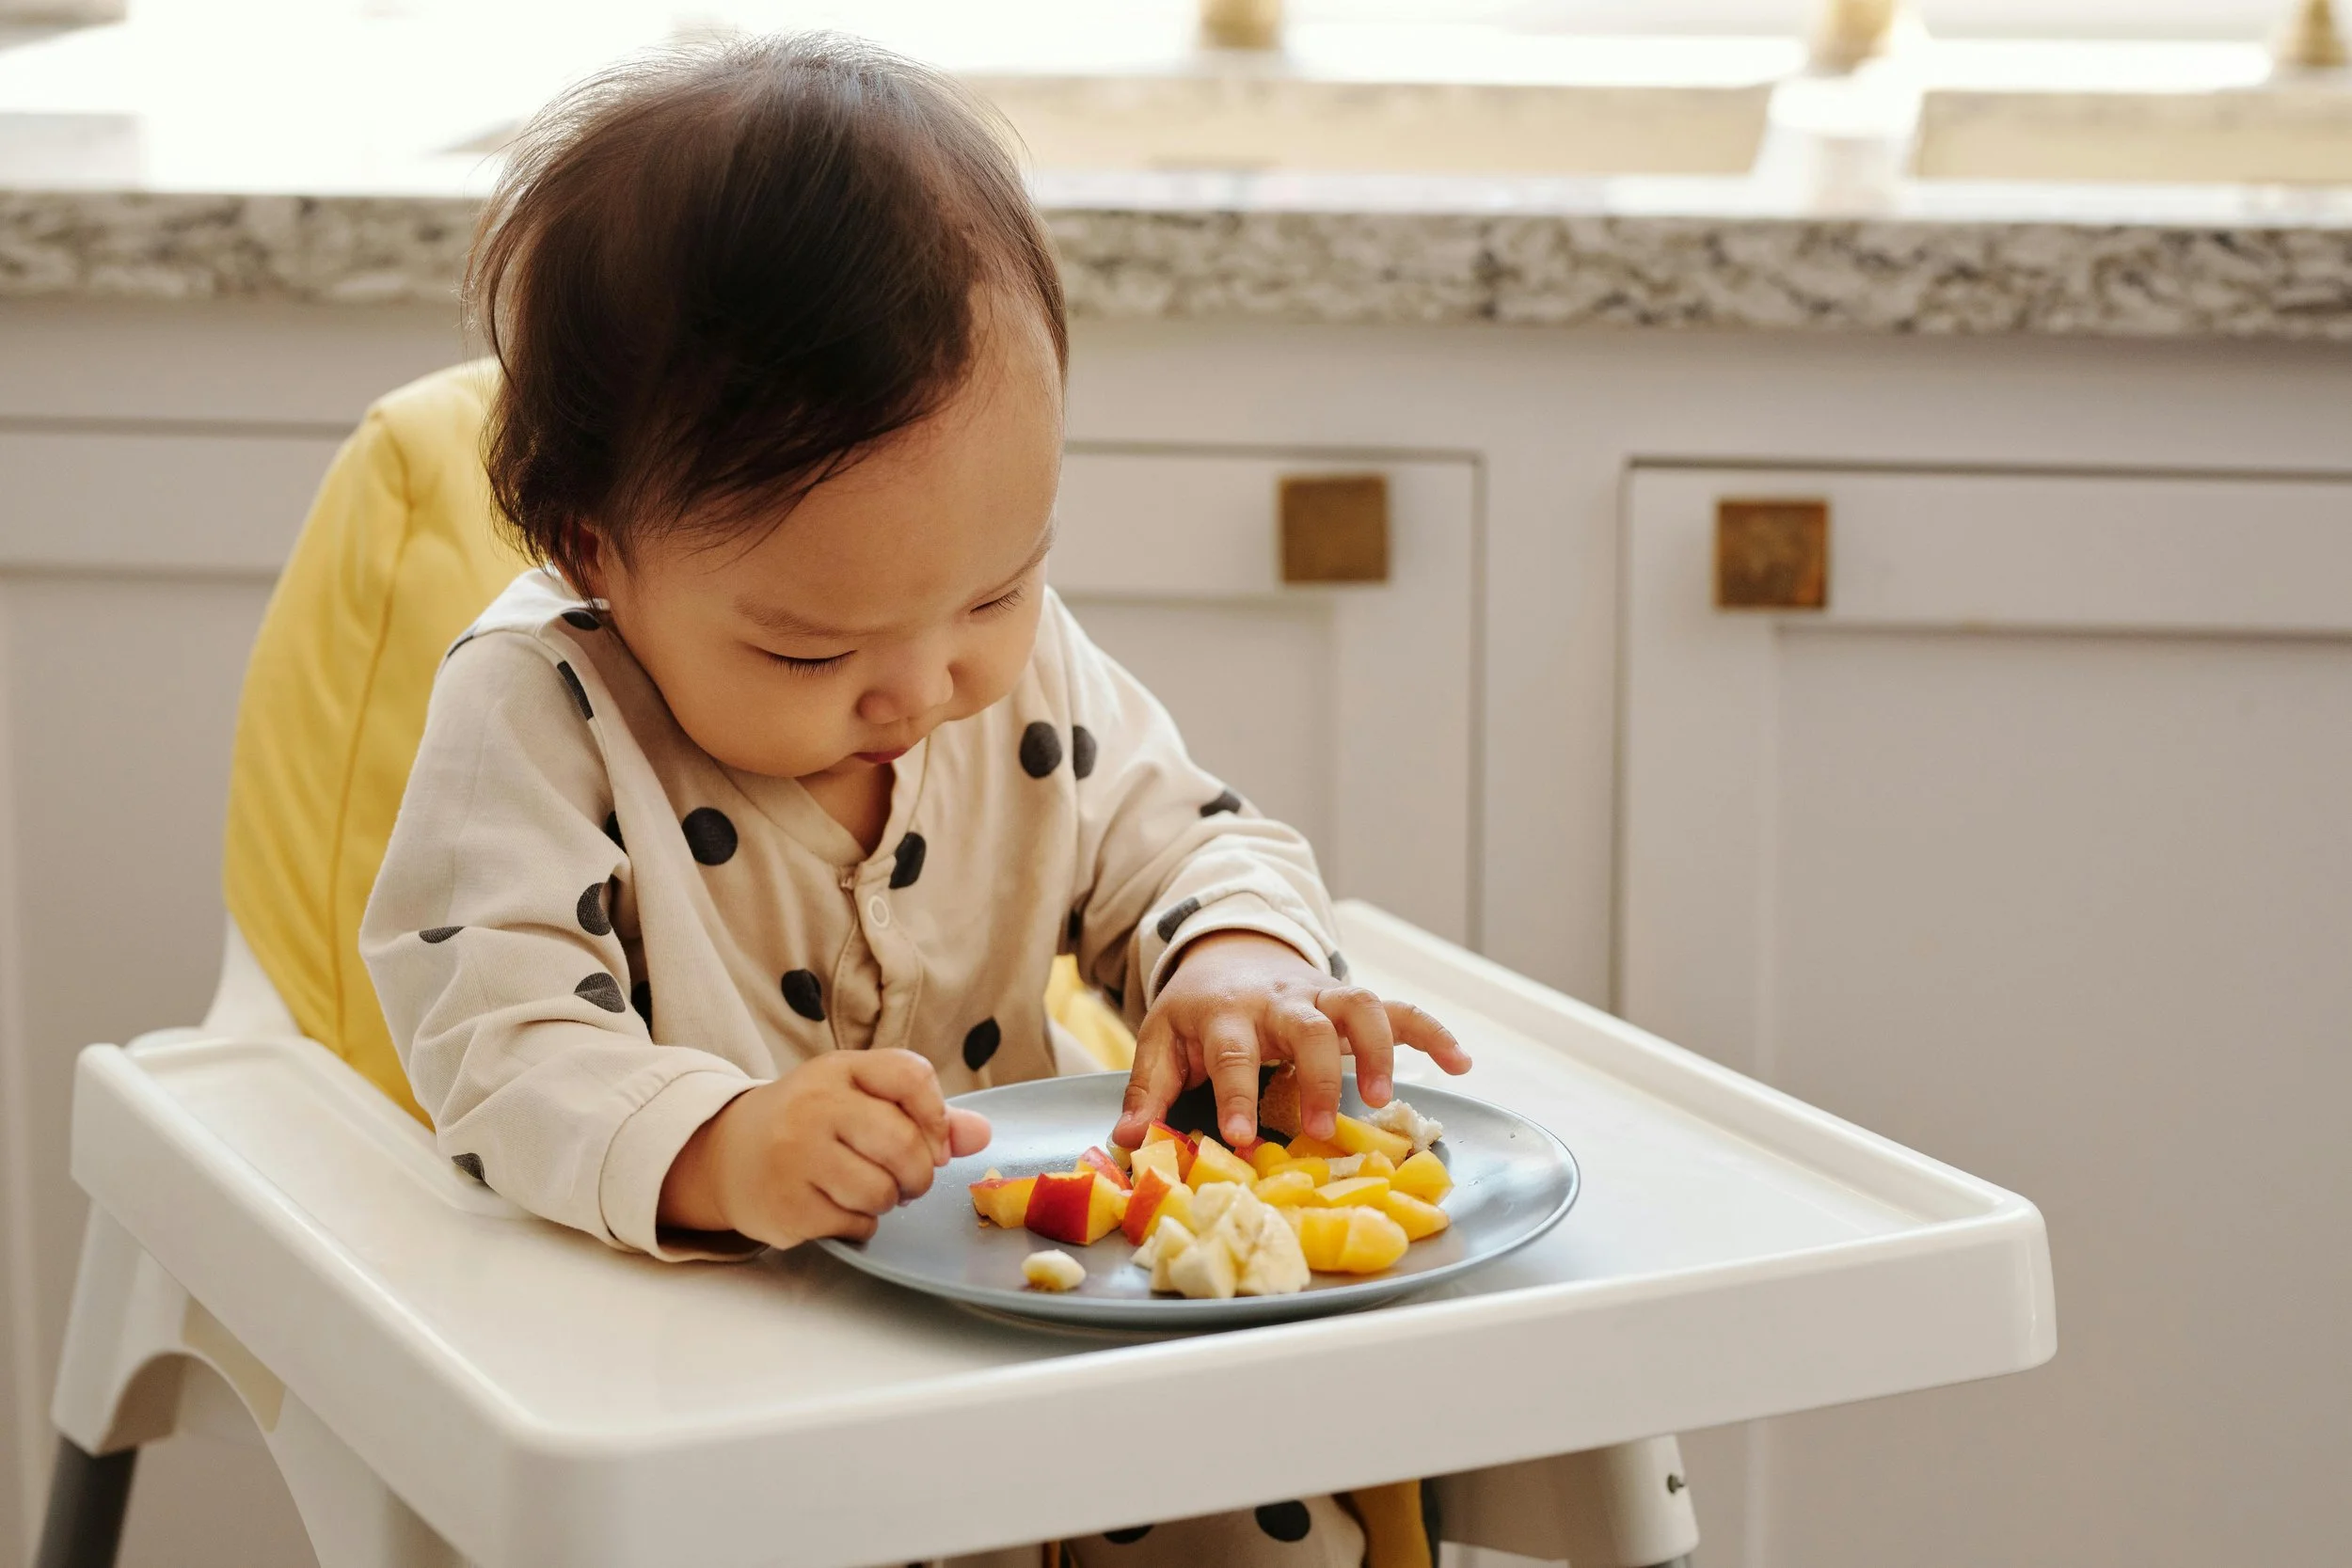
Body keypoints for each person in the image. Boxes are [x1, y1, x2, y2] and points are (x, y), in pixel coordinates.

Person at [360, 35, 1467, 1567]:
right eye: (813, 645)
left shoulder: (1013, 667)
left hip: (1050, 1325)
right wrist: (722, 1147)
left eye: (997, 590)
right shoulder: (538, 713)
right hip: (735, 1383)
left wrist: (1236, 962)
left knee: (1269, 1514)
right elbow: (495, 1038)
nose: (925, 685)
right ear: (593, 547)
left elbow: (1179, 836)